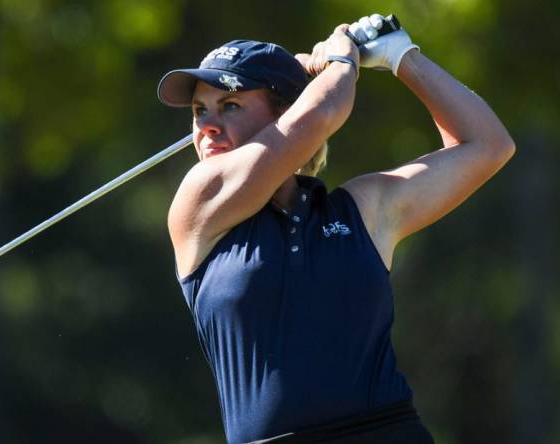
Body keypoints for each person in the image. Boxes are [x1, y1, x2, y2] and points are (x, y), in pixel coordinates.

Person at [157, 14, 515, 444]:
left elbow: (489, 145)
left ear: (283, 112)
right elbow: (321, 116)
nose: (206, 126)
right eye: (200, 110)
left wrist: (401, 56)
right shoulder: (200, 204)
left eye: (229, 105)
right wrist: (343, 61)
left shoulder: (360, 210)